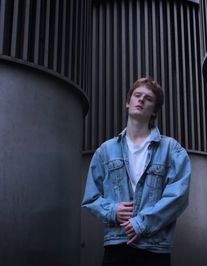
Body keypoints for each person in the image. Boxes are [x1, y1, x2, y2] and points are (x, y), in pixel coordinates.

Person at [81, 77, 191, 266]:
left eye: (148, 98)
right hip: (117, 245)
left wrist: (142, 223)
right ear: (128, 102)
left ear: (155, 110)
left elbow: (178, 197)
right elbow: (90, 198)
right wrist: (112, 211)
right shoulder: (105, 151)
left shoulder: (171, 150)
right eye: (137, 95)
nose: (141, 100)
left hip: (154, 248)